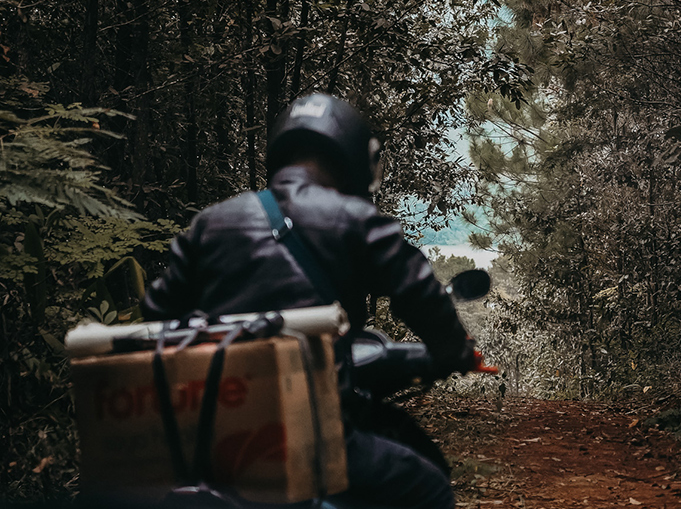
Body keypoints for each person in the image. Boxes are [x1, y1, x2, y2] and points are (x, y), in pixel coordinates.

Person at [142, 93, 475, 509]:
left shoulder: (211, 223)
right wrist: (452, 352)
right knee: (430, 490)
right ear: (355, 156)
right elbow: (419, 292)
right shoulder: (354, 218)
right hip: (312, 434)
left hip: (214, 435)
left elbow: (156, 314)